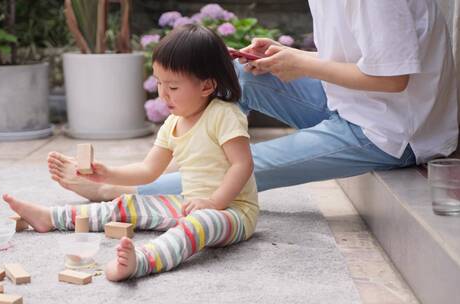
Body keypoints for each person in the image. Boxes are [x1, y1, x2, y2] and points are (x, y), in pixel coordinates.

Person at [47, 0, 458, 199]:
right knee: (240, 75)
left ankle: (125, 193)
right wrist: (287, 59)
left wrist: (302, 63)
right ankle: (168, 162)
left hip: (390, 131)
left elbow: (394, 80)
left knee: (244, 165)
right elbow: (362, 59)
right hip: (348, 101)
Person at [3, 24, 258, 282]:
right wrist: (107, 174)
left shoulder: (224, 115)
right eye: (159, 83)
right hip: (190, 202)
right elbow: (148, 170)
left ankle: (143, 261)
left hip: (233, 212)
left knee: (199, 224)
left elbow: (243, 165)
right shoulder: (173, 123)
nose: (163, 94)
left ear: (206, 86)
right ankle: (51, 217)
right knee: (129, 204)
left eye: (173, 87)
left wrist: (214, 203)